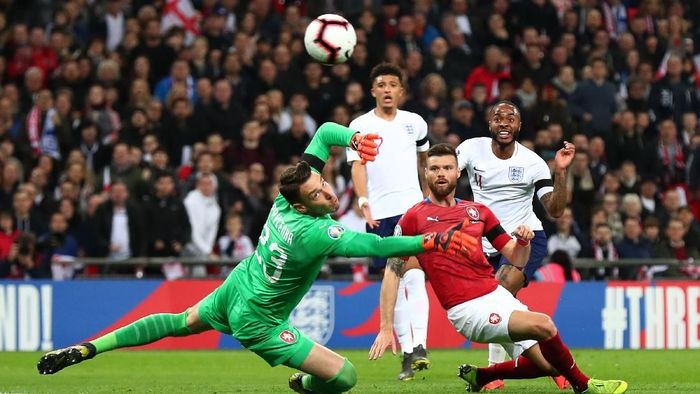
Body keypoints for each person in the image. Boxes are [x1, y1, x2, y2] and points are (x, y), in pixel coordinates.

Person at [36, 122, 477, 394]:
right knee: (343, 378)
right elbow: (378, 246)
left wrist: (353, 139)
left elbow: (324, 133)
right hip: (258, 320)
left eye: (322, 183)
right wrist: (429, 243)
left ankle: (91, 347)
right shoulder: (315, 231)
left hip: (238, 284)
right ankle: (301, 385)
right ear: (302, 205)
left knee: (179, 322)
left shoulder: (288, 200)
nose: (326, 190)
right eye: (318, 194)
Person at [369, 143, 628, 394]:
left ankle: (481, 376)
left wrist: (524, 241)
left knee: (549, 364)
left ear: (458, 173)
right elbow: (393, 272)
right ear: (425, 173)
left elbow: (516, 257)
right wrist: (385, 326)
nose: (441, 174)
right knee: (545, 325)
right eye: (434, 168)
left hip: (496, 296)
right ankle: (585, 386)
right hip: (467, 310)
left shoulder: (477, 211)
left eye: (447, 168)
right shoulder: (414, 217)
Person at [455, 100, 575, 390]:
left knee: (499, 293)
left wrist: (560, 171)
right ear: (490, 124)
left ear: (519, 126)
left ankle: (493, 372)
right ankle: (549, 363)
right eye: (498, 118)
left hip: (525, 239)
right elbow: (444, 178)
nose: (504, 122)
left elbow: (555, 210)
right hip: (482, 243)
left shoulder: (532, 162)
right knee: (500, 305)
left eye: (511, 118)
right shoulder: (471, 149)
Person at [346, 63, 432, 381]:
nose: (386, 89)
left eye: (392, 84)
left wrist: (427, 197)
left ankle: (419, 346)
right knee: (390, 280)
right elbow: (357, 167)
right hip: (380, 213)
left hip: (412, 210)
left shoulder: (415, 124)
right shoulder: (359, 126)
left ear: (401, 91)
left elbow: (425, 161)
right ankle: (408, 352)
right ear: (373, 91)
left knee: (414, 275)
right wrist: (364, 201)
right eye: (380, 84)